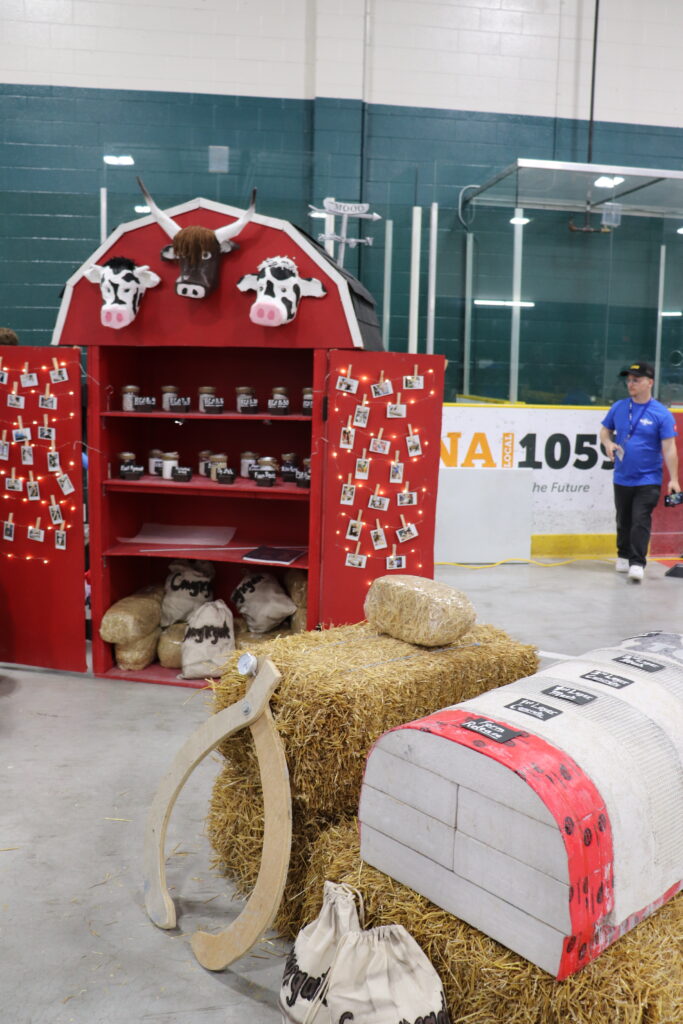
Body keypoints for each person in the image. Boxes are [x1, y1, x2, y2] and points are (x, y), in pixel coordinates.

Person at [599, 361, 680, 581]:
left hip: (648, 478)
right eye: (629, 380)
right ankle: (623, 555)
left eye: (636, 380)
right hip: (622, 476)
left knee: (640, 519)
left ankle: (637, 562)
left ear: (649, 382)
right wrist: (607, 443)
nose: (631, 384)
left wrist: (674, 479)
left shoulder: (661, 414)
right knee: (623, 519)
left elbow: (670, 448)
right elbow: (605, 431)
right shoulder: (619, 407)